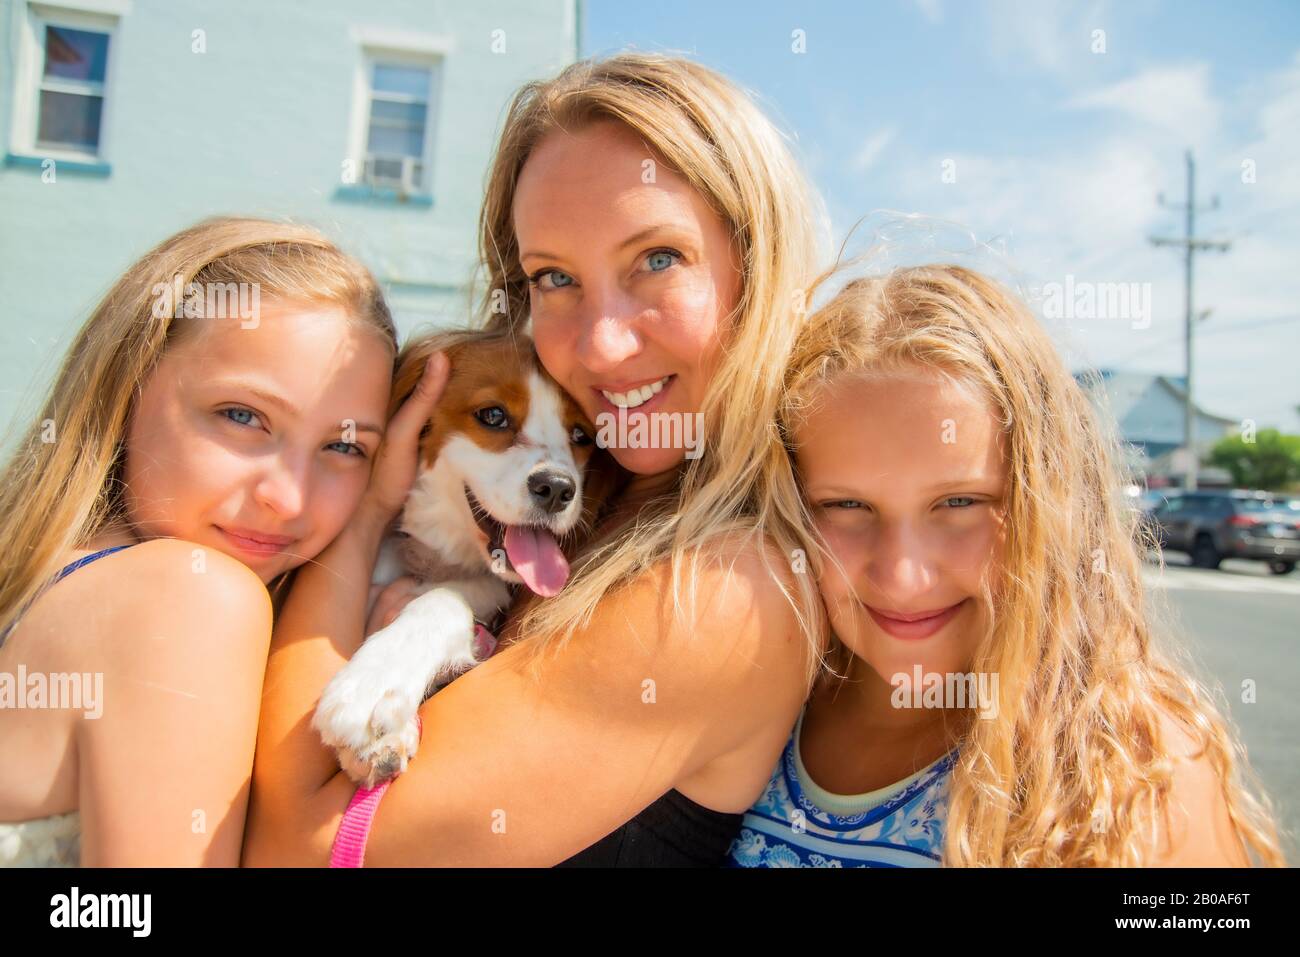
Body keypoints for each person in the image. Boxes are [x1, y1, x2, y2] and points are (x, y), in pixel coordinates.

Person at [243, 52, 834, 866]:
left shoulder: (730, 592)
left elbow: (291, 850)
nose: (601, 341)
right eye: (554, 276)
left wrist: (363, 529)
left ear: (756, 268)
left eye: (658, 258)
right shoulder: (598, 491)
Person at [727, 264, 1286, 866]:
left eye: (959, 502)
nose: (904, 575)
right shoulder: (754, 699)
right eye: (846, 506)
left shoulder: (1135, 771)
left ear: (1050, 506)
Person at [0, 217, 398, 865]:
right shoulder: (189, 596)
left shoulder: (54, 580)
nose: (288, 496)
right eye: (242, 416)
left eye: (345, 446)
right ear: (126, 386)